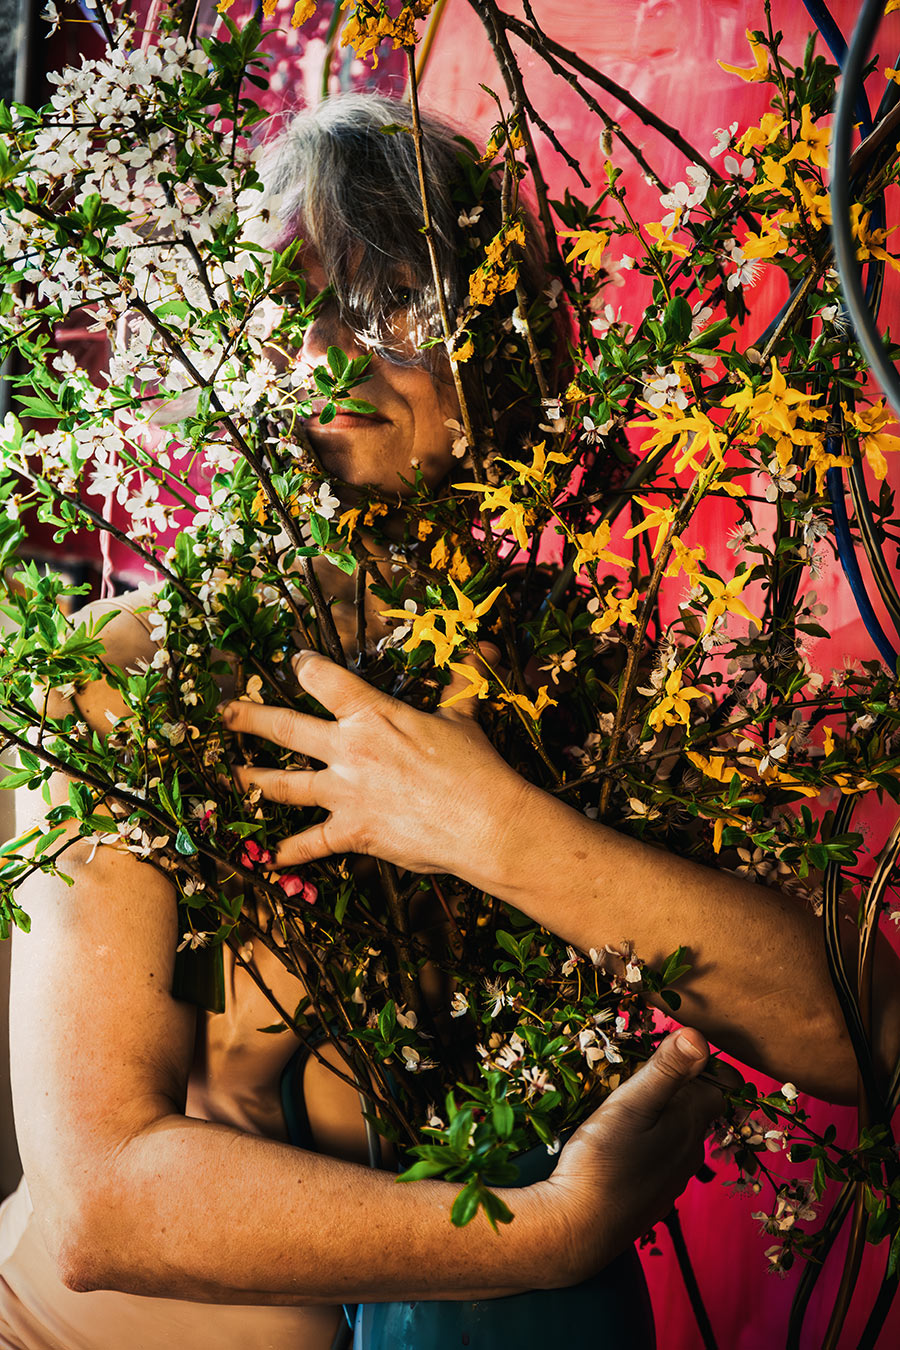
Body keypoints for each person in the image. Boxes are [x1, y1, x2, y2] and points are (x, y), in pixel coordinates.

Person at [0, 92, 890, 1350]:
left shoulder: (578, 689)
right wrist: (552, 1231)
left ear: (507, 369)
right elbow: (99, 1204)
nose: (330, 351)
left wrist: (491, 827)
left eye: (394, 304)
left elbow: (865, 1038)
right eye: (288, 301)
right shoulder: (141, 671)